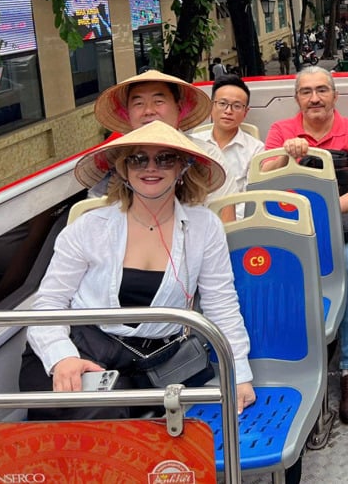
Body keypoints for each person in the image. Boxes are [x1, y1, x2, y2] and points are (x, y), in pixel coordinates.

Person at [18, 120, 256, 420]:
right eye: (138, 158)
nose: (150, 167)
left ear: (182, 167)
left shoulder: (204, 227)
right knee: (96, 419)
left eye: (165, 159)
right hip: (77, 350)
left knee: (127, 422)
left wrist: (239, 374)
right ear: (123, 169)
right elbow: (48, 304)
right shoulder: (88, 229)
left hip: (151, 365)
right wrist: (62, 358)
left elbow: (221, 303)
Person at [262, 66, 348, 425]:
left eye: (322, 90)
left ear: (334, 96)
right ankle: (282, 368)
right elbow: (263, 180)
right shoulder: (280, 131)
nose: (314, 98)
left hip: (339, 230)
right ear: (297, 98)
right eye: (306, 91)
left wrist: (323, 214)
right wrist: (287, 155)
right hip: (289, 231)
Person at [93, 70, 238, 223]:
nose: (148, 111)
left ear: (179, 106)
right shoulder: (113, 159)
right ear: (127, 112)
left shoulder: (207, 157)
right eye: (138, 103)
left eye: (158, 102)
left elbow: (225, 222)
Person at [190, 76, 264, 219]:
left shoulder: (255, 149)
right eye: (222, 103)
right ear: (212, 106)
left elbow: (250, 197)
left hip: (235, 223)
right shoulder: (194, 143)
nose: (228, 111)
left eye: (236, 106)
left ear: (245, 112)